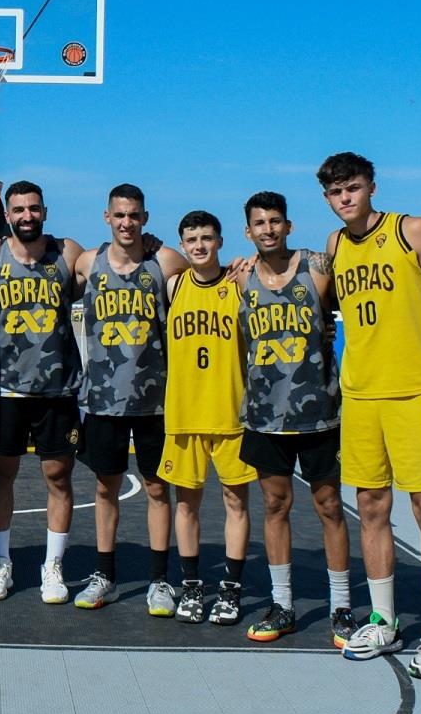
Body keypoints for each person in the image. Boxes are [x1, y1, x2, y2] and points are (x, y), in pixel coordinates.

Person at [321, 151, 421, 680]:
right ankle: (385, 620)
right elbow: (289, 275)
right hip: (361, 396)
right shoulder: (335, 245)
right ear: (327, 199)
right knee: (371, 507)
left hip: (417, 394)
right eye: (336, 192)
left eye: (353, 188)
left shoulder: (412, 230)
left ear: (372, 187)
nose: (346, 198)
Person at [236, 191, 356, 647]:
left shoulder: (318, 269)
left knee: (329, 508)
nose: (268, 229)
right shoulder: (240, 279)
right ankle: (282, 604)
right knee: (275, 507)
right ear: (248, 232)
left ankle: (341, 608)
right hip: (265, 415)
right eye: (259, 223)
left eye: (275, 221)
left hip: (320, 414)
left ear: (288, 226)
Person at [70, 184, 187, 613]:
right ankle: (106, 576)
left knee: (158, 487)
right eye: (120, 215)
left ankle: (160, 580)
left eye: (134, 215)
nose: (126, 222)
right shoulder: (88, 261)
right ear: (107, 217)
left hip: (156, 398)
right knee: (106, 487)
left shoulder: (165, 260)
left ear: (145, 218)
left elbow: (209, 277)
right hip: (102, 397)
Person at [0, 181, 84, 604]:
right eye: (18, 209)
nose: (26, 216)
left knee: (58, 476)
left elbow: (118, 261)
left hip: (58, 390)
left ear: (45, 211)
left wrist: (150, 241)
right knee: (2, 474)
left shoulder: (68, 253)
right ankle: (1, 562)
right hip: (5, 389)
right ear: (7, 214)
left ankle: (53, 565)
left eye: (33, 209)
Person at [159, 210, 257, 626]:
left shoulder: (239, 283)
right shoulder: (173, 284)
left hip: (230, 413)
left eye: (207, 238)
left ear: (220, 241)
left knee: (236, 503)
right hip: (184, 414)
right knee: (187, 506)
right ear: (182, 246)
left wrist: (249, 265)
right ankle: (193, 586)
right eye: (192, 239)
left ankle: (231, 589)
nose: (199, 245)